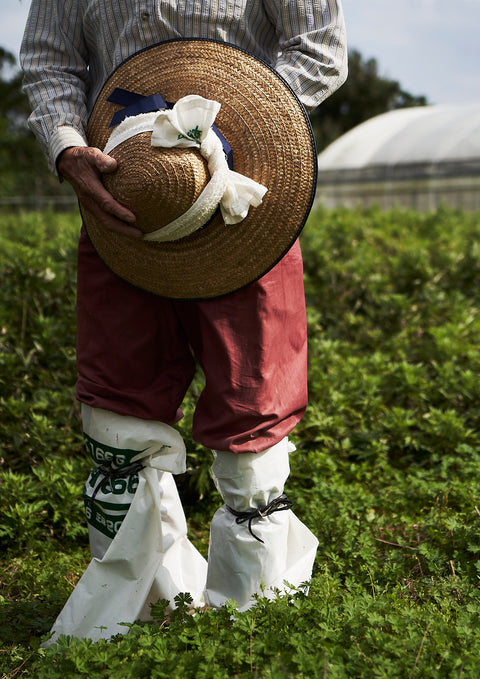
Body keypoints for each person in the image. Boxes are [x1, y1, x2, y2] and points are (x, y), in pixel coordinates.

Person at [21, 0, 348, 642]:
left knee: (253, 395)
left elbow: (318, 45)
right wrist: (66, 148)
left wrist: (245, 126)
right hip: (127, 206)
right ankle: (137, 611)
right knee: (120, 397)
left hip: (246, 205)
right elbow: (48, 63)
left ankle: (256, 615)